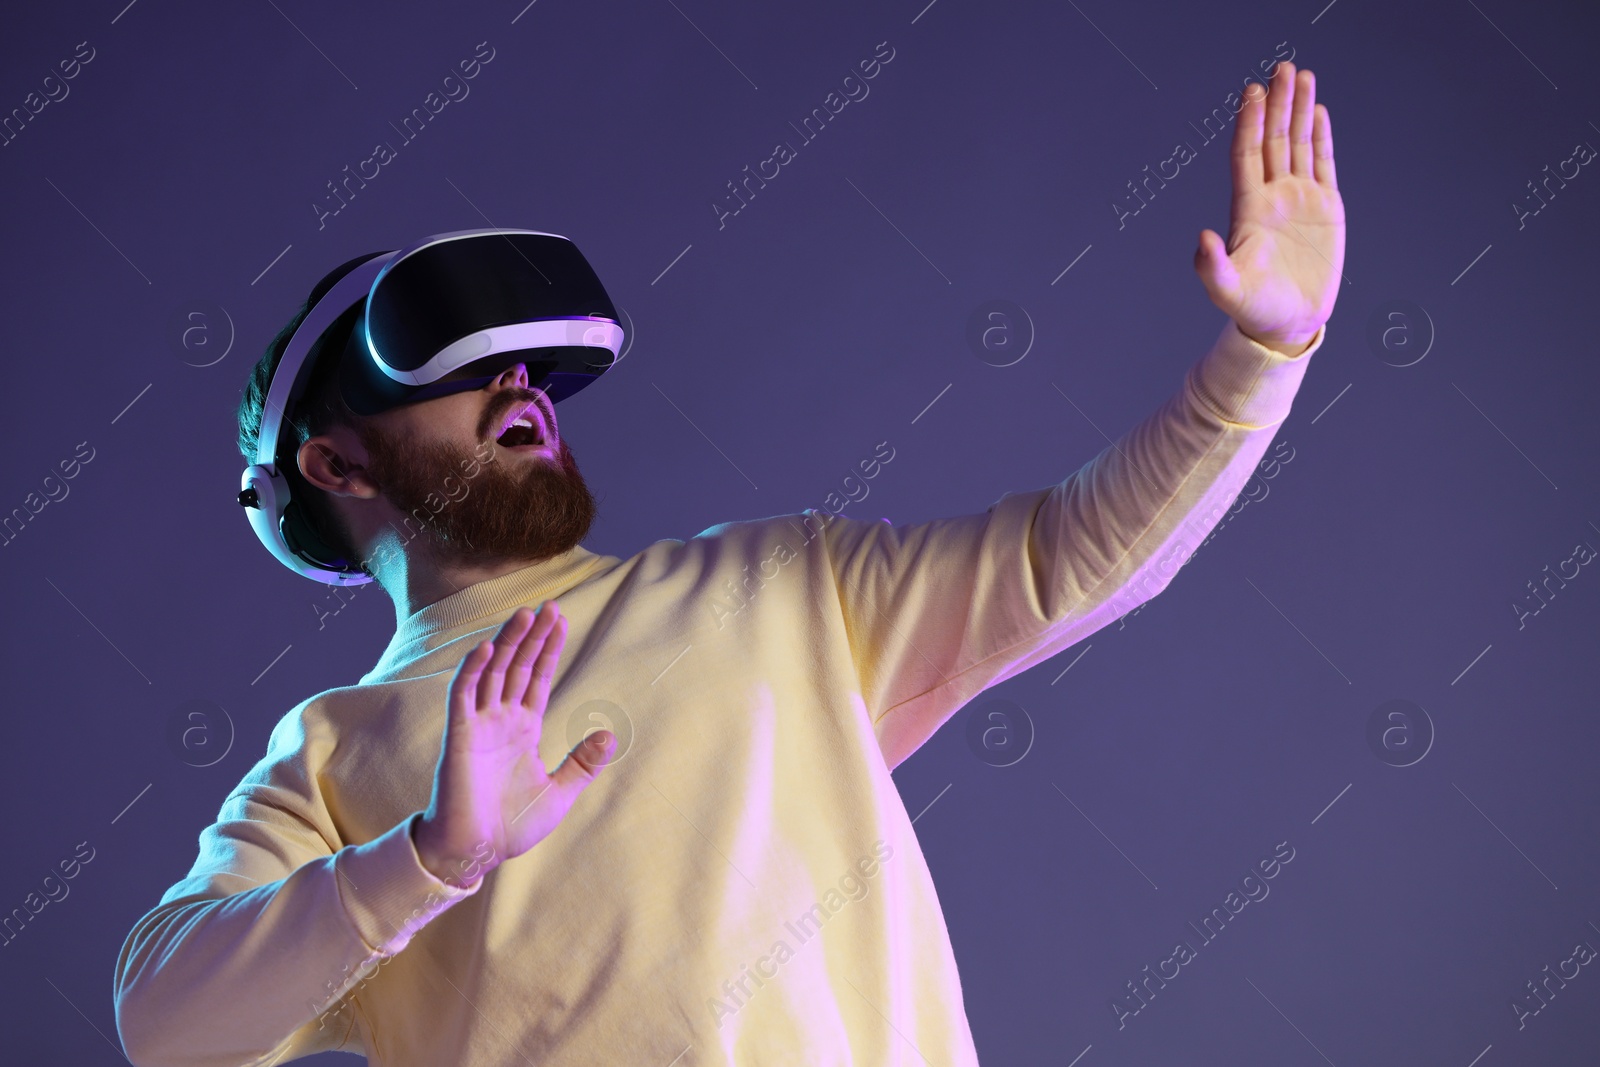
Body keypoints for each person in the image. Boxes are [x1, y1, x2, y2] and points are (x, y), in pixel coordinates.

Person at [113, 60, 1343, 1065]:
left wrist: (1260, 357)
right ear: (337, 467)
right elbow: (164, 1022)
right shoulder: (334, 749)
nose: (519, 383)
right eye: (456, 365)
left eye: (530, 368)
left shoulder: (771, 586)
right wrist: (429, 859)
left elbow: (1068, 559)